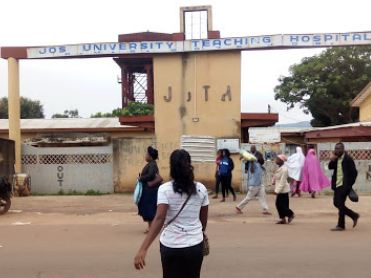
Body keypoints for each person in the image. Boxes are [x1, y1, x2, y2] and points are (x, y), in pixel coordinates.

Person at [134, 149, 209, 278]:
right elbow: (203, 220)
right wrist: (197, 232)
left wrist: (143, 249)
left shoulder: (165, 189)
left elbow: (159, 218)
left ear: (172, 167)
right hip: (194, 245)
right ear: (189, 165)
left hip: (170, 246)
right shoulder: (201, 188)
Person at [329, 143, 359, 231]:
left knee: (340, 204)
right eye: (335, 149)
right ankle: (354, 215)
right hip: (337, 185)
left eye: (338, 149)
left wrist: (348, 185)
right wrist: (332, 159)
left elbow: (354, 173)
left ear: (343, 149)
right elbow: (330, 167)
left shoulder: (348, 159)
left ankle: (341, 225)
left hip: (344, 186)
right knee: (337, 203)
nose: (337, 150)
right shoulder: (336, 159)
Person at [137, 146, 160, 232]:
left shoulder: (152, 164)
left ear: (150, 156)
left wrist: (141, 178)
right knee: (148, 208)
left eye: (147, 154)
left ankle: (152, 227)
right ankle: (150, 227)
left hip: (150, 191)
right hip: (148, 190)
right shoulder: (151, 164)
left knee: (150, 209)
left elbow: (151, 175)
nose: (145, 156)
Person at [273, 154, 295, 224]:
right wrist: (273, 181)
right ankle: (283, 219)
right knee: (282, 205)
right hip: (281, 189)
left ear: (282, 161)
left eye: (278, 159)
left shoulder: (284, 169)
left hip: (283, 190)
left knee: (279, 205)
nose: (276, 160)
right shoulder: (279, 168)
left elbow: (282, 182)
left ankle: (290, 214)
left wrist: (277, 191)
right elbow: (276, 177)